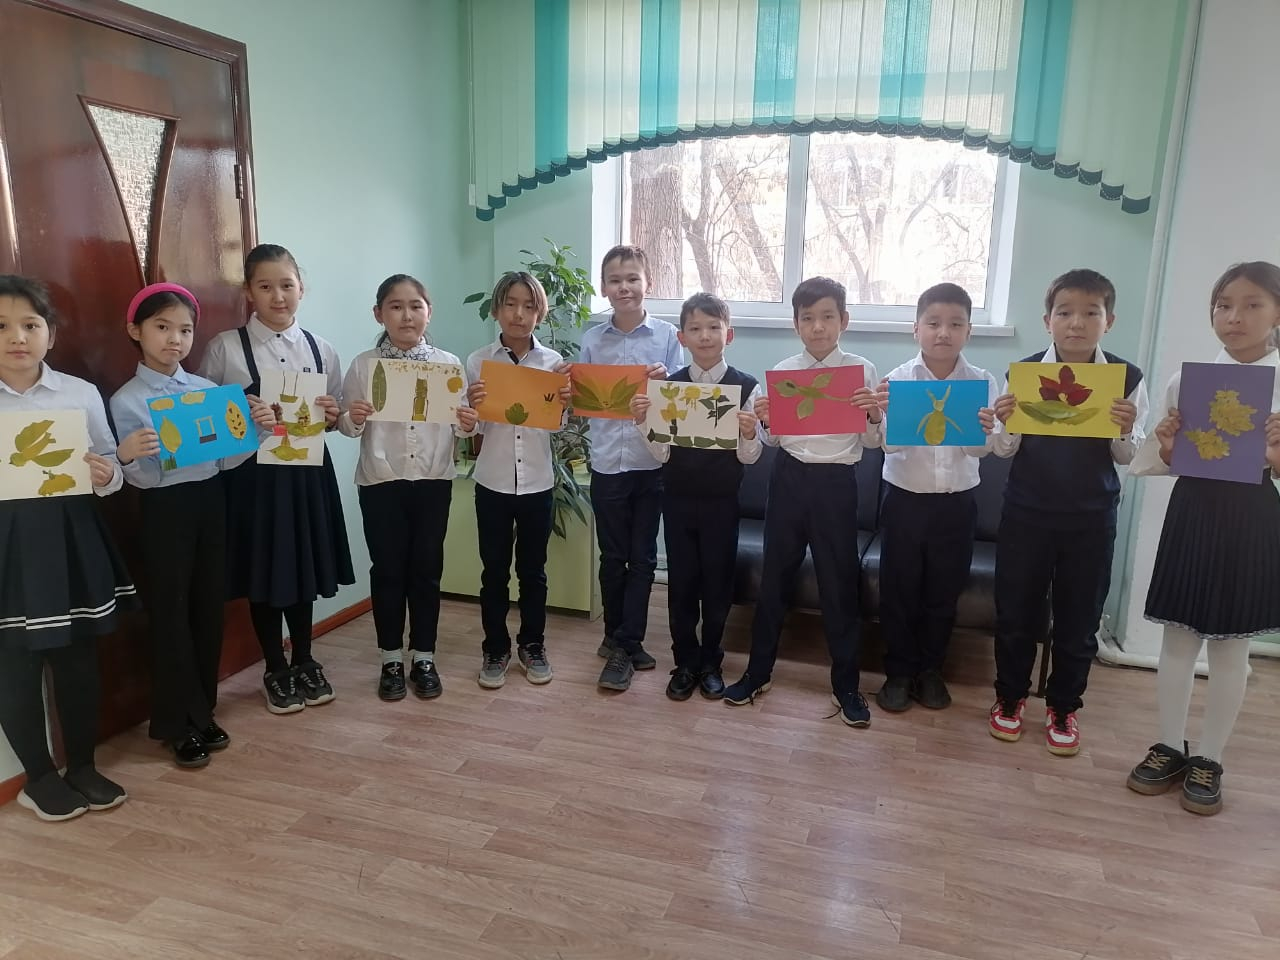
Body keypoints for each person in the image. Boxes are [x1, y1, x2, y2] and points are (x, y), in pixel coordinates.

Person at [1126, 261, 1280, 815]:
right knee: (1178, 637)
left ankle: (1211, 757)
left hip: (1252, 515)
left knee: (1232, 646)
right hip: (1193, 509)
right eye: (1223, 305)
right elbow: (1167, 460)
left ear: (1277, 313)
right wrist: (1169, 445)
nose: (1234, 317)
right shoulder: (1186, 381)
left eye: (1252, 304)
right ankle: (1170, 745)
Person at [989, 268, 1148, 756]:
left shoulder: (1126, 378)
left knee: (1080, 618)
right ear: (1048, 320)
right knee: (1016, 611)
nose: (1076, 323)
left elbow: (1129, 457)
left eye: (1090, 313)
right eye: (1065, 313)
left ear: (1109, 320)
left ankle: (1063, 706)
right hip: (1027, 513)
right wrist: (1005, 422)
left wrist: (1125, 427)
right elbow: (1004, 450)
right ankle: (1010, 697)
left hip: (1091, 517)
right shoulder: (1023, 373)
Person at [111, 283, 269, 768]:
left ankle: (203, 710)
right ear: (136, 330)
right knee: (171, 614)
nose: (174, 339)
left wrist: (257, 428)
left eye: (184, 330)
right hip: (165, 508)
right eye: (162, 327)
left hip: (210, 501)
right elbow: (142, 478)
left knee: (207, 609)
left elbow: (225, 459)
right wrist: (129, 457)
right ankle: (174, 723)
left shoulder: (206, 391)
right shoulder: (127, 400)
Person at [0, 275, 135, 820]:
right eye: (1, 326)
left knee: (78, 660)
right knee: (16, 665)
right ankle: (38, 777)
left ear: (50, 334)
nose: (17, 337)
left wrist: (106, 474)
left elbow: (111, 467)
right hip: (7, 545)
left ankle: (82, 765)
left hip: (71, 535)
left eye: (30, 325)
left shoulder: (79, 393)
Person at [199, 244, 354, 714]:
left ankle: (304, 658)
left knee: (302, 569)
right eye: (265, 286)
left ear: (301, 288)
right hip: (252, 481)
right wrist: (241, 417)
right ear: (249, 292)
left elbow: (335, 416)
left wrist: (332, 415)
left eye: (287, 285)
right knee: (264, 571)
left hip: (307, 476)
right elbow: (204, 426)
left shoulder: (321, 349)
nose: (278, 296)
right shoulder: (225, 348)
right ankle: (274, 666)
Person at [723, 276, 884, 726]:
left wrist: (874, 413)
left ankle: (846, 686)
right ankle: (757, 673)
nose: (818, 327)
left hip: (837, 484)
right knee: (774, 578)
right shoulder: (783, 372)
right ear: (796, 323)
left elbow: (873, 442)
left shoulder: (862, 371)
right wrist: (765, 420)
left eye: (827, 316)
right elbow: (773, 441)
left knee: (839, 585)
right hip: (789, 479)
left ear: (844, 320)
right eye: (808, 318)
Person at [340, 274, 473, 701]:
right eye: (395, 306)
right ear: (379, 314)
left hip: (433, 481)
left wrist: (468, 423)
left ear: (429, 312)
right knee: (388, 571)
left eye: (415, 306)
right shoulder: (363, 365)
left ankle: (424, 657)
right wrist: (353, 417)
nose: (406, 315)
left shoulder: (448, 364)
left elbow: (461, 425)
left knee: (427, 571)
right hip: (381, 481)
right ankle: (391, 658)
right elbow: (346, 424)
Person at [628, 292, 761, 701]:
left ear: (728, 334)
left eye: (713, 327)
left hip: (723, 501)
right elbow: (661, 454)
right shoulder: (669, 388)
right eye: (695, 328)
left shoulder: (746, 386)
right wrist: (643, 423)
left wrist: (749, 433)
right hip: (678, 499)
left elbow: (750, 457)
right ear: (682, 337)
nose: (705, 336)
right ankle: (685, 661)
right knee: (682, 583)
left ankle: (711, 662)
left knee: (718, 583)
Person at [873, 283, 998, 713]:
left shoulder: (982, 382)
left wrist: (985, 429)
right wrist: (884, 415)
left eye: (955, 324)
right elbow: (887, 446)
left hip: (956, 504)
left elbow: (982, 451)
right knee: (899, 591)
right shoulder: (897, 381)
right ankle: (898, 671)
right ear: (916, 329)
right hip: (904, 501)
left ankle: (930, 671)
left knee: (943, 592)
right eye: (933, 323)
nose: (944, 332)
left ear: (969, 331)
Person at [576, 245, 683, 692]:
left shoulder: (668, 336)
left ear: (647, 283)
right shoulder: (592, 340)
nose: (625, 287)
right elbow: (581, 402)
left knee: (642, 558)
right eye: (616, 280)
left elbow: (682, 402)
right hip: (606, 461)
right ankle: (615, 636)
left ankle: (627, 642)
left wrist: (665, 383)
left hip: (650, 461)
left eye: (633, 278)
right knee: (612, 555)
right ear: (604, 288)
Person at [461, 272, 571, 689]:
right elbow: (471, 428)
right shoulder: (478, 362)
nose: (519, 314)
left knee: (533, 572)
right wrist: (471, 411)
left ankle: (533, 644)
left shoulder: (552, 363)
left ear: (540, 313)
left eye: (528, 306)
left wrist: (564, 405)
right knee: (493, 572)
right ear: (496, 309)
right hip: (492, 482)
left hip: (537, 483)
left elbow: (557, 427)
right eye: (510, 304)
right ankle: (495, 648)